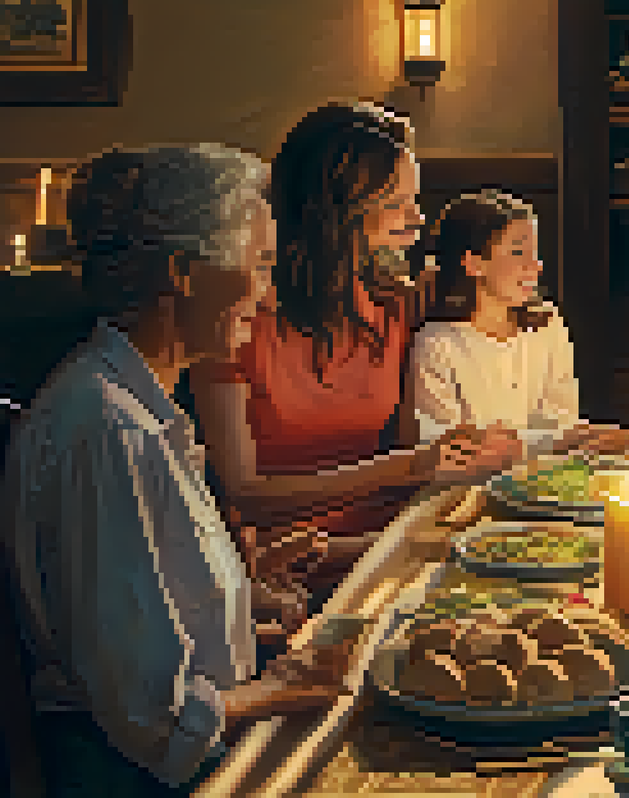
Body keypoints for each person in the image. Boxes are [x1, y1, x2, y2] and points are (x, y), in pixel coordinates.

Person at [0, 144, 347, 796]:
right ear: (185, 271)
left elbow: (148, 621)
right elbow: (150, 716)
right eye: (260, 267)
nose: (268, 298)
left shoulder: (140, 404)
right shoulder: (104, 431)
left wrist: (243, 597)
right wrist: (275, 690)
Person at [189, 102, 522, 595]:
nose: (416, 218)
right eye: (396, 204)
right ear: (334, 213)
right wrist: (410, 465)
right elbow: (246, 492)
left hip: (398, 544)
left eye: (415, 199)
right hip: (286, 570)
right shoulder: (239, 320)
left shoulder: (398, 302)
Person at [409, 190, 629, 456]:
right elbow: (444, 447)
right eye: (518, 252)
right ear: (474, 264)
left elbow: (561, 423)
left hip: (544, 480)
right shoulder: (437, 344)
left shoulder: (546, 326)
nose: (536, 265)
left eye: (535, 252)